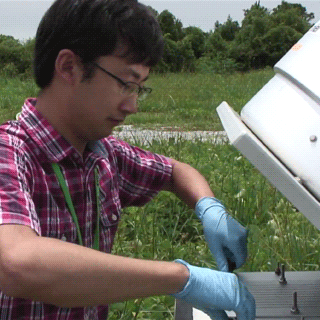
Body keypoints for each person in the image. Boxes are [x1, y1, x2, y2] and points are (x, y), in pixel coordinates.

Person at [0, 0, 255, 319]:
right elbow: (17, 264)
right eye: (125, 84)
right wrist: (183, 279)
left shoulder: (103, 153)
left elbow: (176, 172)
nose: (132, 105)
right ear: (69, 68)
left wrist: (209, 208)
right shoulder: (9, 153)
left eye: (139, 89)